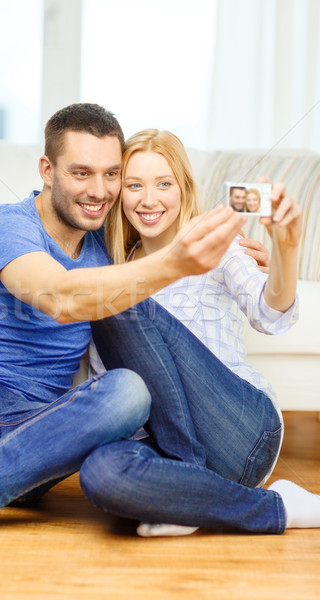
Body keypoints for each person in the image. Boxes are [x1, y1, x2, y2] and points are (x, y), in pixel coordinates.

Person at [0, 104, 247, 569]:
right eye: (81, 173)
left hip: (37, 441)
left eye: (112, 174)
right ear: (47, 171)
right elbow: (59, 296)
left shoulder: (111, 252)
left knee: (129, 392)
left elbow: (160, 231)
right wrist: (176, 260)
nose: (99, 191)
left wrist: (234, 253)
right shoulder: (7, 223)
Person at [80, 128, 320, 537]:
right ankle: (269, 507)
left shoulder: (218, 245)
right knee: (100, 474)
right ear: (120, 195)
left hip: (238, 431)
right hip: (158, 447)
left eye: (163, 184)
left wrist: (286, 248)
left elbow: (271, 313)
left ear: (184, 188)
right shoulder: (114, 265)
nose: (149, 199)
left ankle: (186, 474)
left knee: (115, 296)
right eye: (135, 185)